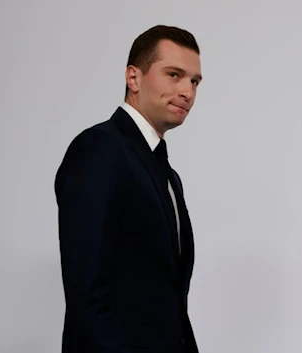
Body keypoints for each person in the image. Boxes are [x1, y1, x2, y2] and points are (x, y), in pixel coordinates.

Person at [54, 25, 203, 353]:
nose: (188, 91)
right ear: (133, 78)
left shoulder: (167, 174)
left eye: (194, 81)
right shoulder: (99, 149)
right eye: (174, 75)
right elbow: (87, 293)